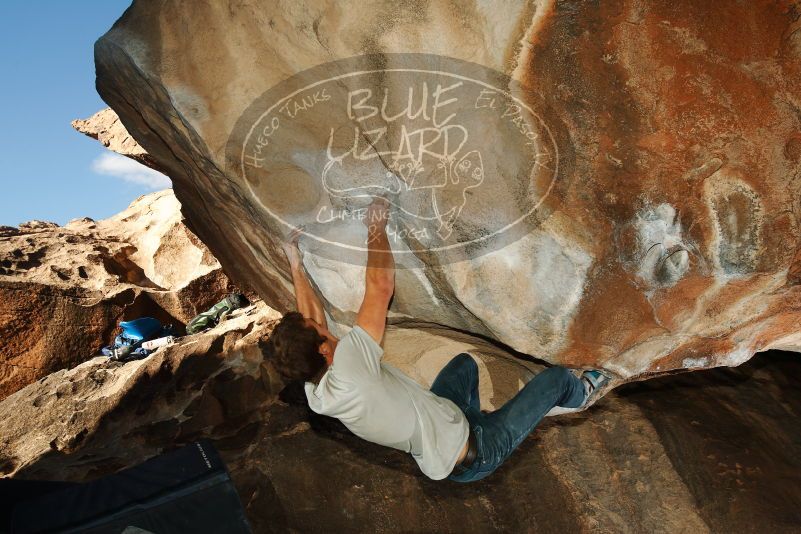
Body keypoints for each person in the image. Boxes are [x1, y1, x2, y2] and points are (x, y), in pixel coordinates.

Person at [269, 198, 611, 482]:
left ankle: (475, 417)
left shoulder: (316, 391)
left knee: (463, 367)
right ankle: (580, 394)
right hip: (477, 452)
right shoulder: (351, 369)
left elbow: (310, 319)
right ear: (325, 351)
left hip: (448, 423)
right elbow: (380, 288)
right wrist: (375, 227)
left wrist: (295, 262)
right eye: (323, 332)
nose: (325, 326)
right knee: (556, 379)